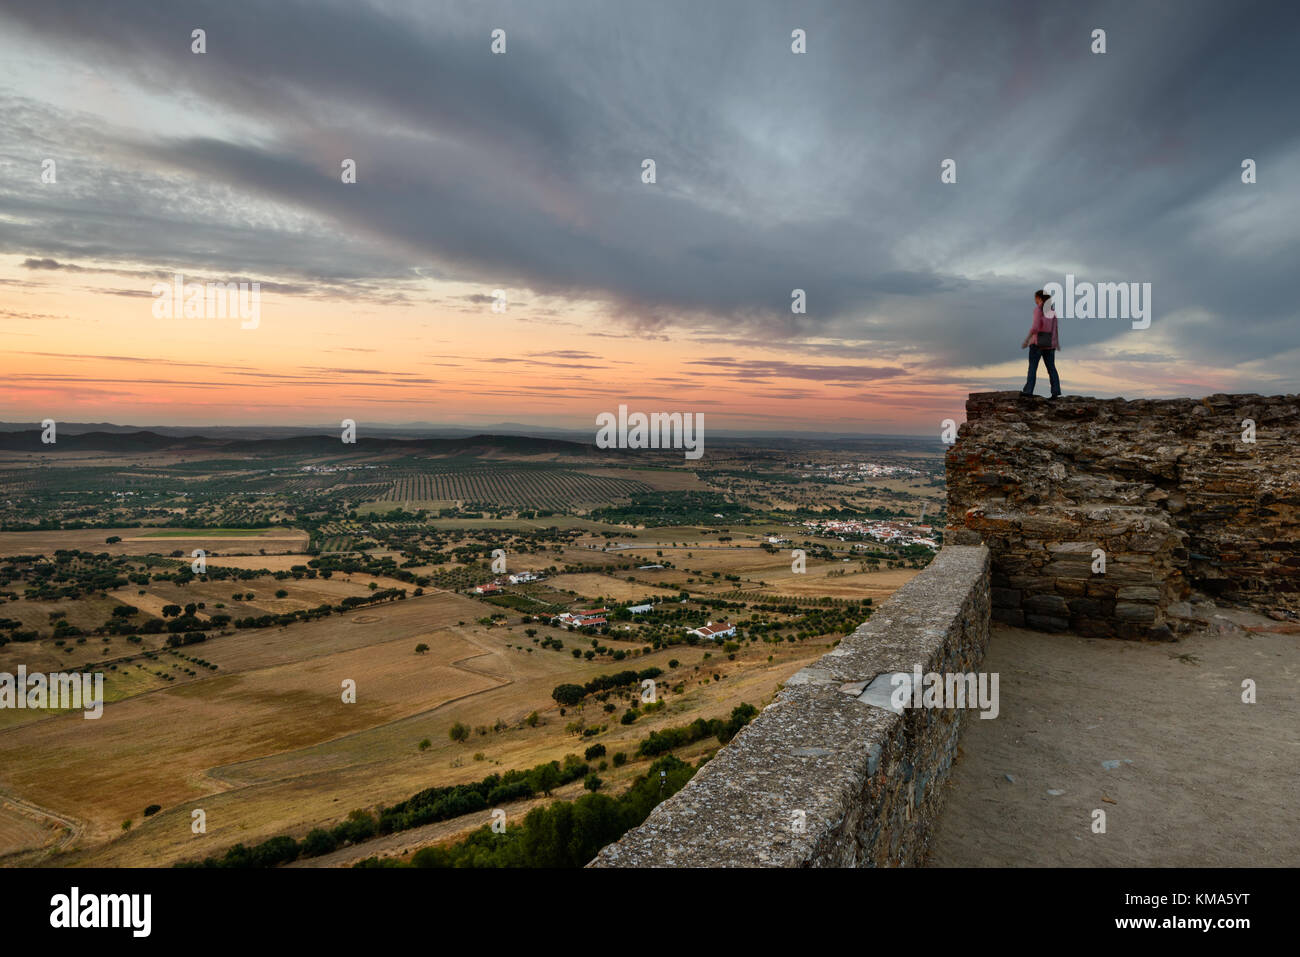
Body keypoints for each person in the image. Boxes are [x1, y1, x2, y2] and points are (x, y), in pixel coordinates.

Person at [1020, 288, 1061, 398]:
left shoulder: (1038, 310)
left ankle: (1028, 391)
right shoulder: (1052, 311)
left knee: (1033, 367)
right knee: (1051, 368)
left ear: (1039, 298)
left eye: (1035, 298)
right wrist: (1056, 343)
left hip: (1037, 343)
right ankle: (1055, 392)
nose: (1035, 300)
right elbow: (1055, 329)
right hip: (1049, 344)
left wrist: (1027, 339)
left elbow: (1035, 327)